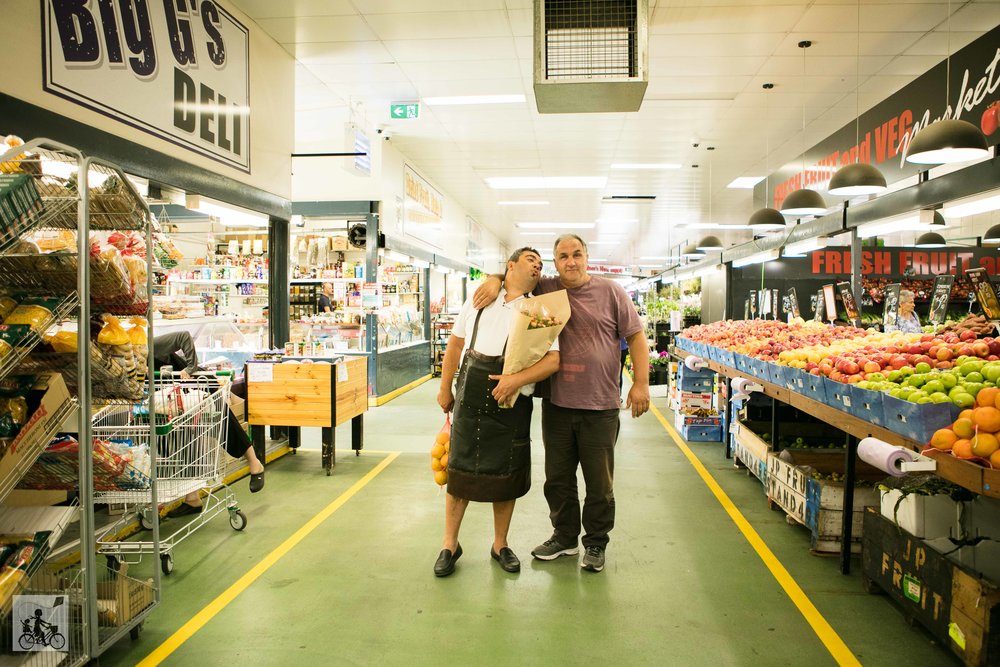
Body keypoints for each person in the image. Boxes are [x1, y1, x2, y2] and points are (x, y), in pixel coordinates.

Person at [473, 234, 649, 573]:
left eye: (577, 254)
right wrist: (494, 281)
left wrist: (641, 384)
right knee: (558, 478)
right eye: (563, 256)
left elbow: (636, 337)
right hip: (557, 403)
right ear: (556, 263)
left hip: (600, 405)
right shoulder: (548, 289)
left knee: (599, 483)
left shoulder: (612, 292)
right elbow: (514, 277)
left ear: (587, 257)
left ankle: (595, 542)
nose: (571, 261)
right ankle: (565, 536)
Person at [434, 247, 560, 577]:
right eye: (531, 260)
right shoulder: (480, 298)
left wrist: (515, 380)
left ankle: (500, 544)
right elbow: (456, 345)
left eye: (541, 264)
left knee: (506, 473)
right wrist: (444, 387)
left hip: (512, 400)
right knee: (459, 471)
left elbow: (553, 360)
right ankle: (449, 544)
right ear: (511, 265)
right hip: (470, 393)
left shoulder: (539, 309)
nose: (538, 266)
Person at [151, 333, 267, 516]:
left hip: (195, 382)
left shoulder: (146, 344)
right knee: (181, 436)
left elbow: (183, 337)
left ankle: (255, 463)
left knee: (221, 420)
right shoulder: (121, 360)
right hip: (169, 393)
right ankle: (192, 498)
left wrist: (190, 367)